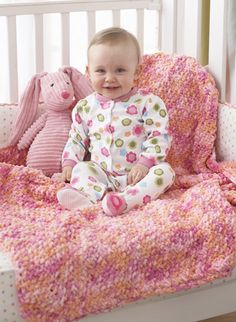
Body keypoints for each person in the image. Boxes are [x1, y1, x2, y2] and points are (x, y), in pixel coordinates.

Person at [57, 27, 175, 216]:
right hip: (101, 173)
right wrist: (69, 164)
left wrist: (145, 164)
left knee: (165, 173)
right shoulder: (85, 107)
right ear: (89, 72)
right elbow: (77, 139)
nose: (110, 78)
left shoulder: (148, 103)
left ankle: (126, 200)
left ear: (137, 72)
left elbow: (159, 136)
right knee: (81, 170)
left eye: (120, 70)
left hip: (137, 175)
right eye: (101, 71)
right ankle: (94, 198)